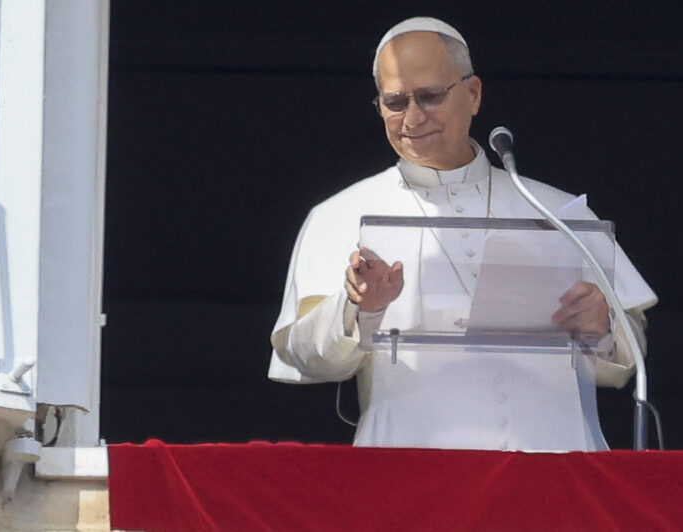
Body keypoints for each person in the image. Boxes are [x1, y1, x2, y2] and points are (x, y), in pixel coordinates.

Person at [269, 17, 657, 451]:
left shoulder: (560, 212)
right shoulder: (339, 214)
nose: (412, 118)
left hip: (557, 464)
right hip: (411, 470)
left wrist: (603, 326)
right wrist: (358, 309)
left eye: (430, 97)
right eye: (395, 102)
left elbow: (628, 359)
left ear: (473, 95)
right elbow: (302, 354)